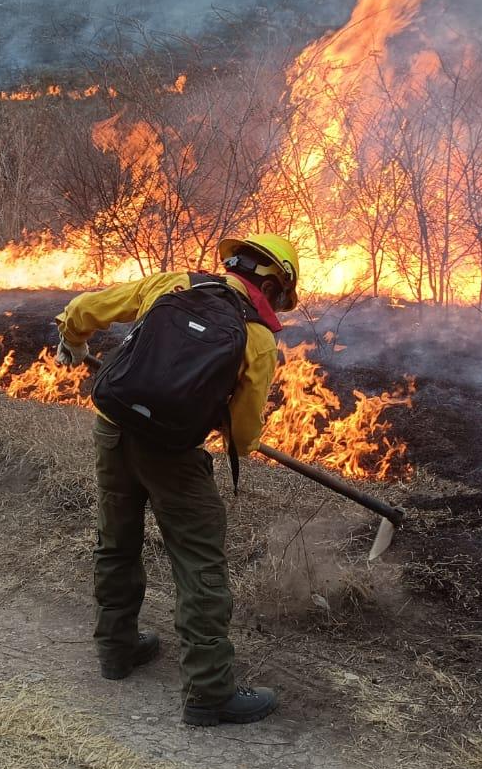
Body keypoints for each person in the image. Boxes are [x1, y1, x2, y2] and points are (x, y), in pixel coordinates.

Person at [53, 233, 300, 727]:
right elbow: (243, 437)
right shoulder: (257, 338)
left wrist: (73, 343)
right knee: (199, 563)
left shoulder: (174, 284)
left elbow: (82, 310)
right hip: (173, 455)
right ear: (273, 287)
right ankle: (209, 691)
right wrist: (225, 420)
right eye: (280, 298)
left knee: (116, 541)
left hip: (114, 427)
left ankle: (117, 649)